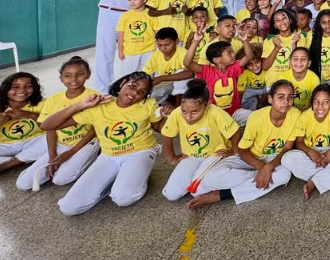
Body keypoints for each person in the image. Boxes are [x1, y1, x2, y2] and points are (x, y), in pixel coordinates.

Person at [45, 72, 170, 216]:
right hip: (109, 156)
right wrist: (80, 105)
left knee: (123, 198)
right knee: (69, 208)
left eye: (141, 92)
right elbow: (48, 125)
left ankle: (141, 176)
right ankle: (119, 180)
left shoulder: (147, 105)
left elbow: (158, 128)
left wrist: (167, 117)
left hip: (141, 151)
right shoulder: (100, 105)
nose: (134, 93)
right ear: (123, 83)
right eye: (132, 86)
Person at [188, 80, 298, 209]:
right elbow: (242, 150)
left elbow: (287, 148)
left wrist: (269, 167)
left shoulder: (295, 115)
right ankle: (261, 178)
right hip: (250, 157)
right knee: (210, 179)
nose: (286, 102)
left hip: (273, 158)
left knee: (284, 174)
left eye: (290, 97)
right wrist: (262, 167)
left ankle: (222, 195)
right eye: (281, 97)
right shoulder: (256, 117)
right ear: (270, 99)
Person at [16, 57, 100, 191]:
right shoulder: (54, 99)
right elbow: (50, 128)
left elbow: (95, 129)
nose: (74, 79)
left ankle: (92, 160)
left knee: (60, 180)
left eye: (80, 74)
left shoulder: (94, 97)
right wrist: (52, 156)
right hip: (61, 142)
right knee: (23, 184)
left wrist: (71, 152)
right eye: (68, 75)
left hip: (87, 141)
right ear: (61, 78)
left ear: (88, 75)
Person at [160, 80, 241, 202]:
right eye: (184, 111)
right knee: (171, 194)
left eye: (194, 112)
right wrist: (172, 158)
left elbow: (235, 132)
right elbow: (167, 135)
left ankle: (222, 184)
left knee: (197, 191)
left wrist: (233, 151)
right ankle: (198, 177)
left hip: (214, 155)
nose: (188, 117)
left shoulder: (216, 112)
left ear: (207, 105)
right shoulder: (176, 113)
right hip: (191, 156)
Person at [281, 84, 330, 200]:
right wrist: (311, 152)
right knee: (287, 158)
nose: (320, 107)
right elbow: (298, 143)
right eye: (316, 102)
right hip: (310, 155)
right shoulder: (304, 117)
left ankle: (315, 181)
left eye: (326, 102)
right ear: (312, 103)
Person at [0, 72, 46, 182]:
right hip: (7, 146)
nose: (22, 90)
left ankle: (5, 165)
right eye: (15, 87)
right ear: (5, 90)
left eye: (28, 86)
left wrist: (30, 115)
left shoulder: (43, 104)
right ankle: (22, 159)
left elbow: (54, 126)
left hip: (35, 140)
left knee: (53, 139)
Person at [184, 29, 255, 116]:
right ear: (217, 60)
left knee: (253, 116)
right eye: (229, 53)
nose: (233, 55)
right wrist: (195, 42)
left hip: (234, 112)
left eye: (233, 52)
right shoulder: (207, 71)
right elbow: (187, 63)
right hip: (213, 114)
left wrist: (244, 41)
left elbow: (249, 56)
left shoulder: (233, 68)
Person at [142, 27, 192, 104]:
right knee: (152, 97)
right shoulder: (156, 55)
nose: (163, 48)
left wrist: (161, 78)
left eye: (167, 44)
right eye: (160, 45)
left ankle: (179, 107)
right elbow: (145, 73)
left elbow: (189, 73)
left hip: (183, 85)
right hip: (166, 83)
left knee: (182, 76)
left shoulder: (183, 53)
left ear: (176, 41)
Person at [115, 0, 158, 76]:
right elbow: (121, 34)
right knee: (128, 77)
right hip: (130, 51)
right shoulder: (125, 16)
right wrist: (120, 51)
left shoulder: (151, 14)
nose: (131, 2)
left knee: (147, 76)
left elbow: (157, 32)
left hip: (149, 50)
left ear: (144, 0)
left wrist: (157, 49)